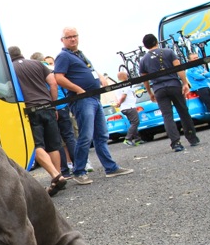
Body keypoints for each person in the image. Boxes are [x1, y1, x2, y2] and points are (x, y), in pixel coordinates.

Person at [53, 27, 134, 184]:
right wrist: (79, 90)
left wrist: (101, 78)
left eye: (74, 36)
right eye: (68, 37)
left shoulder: (80, 55)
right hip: (83, 100)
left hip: (94, 98)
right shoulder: (63, 56)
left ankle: (110, 168)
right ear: (62, 40)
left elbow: (90, 71)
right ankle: (79, 171)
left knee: (101, 135)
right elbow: (58, 78)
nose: (72, 39)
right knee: (86, 136)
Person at [9, 46, 67, 195]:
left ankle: (55, 176)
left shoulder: (10, 69)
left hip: (31, 110)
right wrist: (53, 104)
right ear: (21, 53)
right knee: (54, 145)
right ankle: (58, 176)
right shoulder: (37, 64)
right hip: (47, 106)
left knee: (37, 145)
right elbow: (53, 83)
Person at [139, 34, 200, 152]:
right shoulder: (168, 52)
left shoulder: (143, 60)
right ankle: (192, 137)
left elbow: (144, 79)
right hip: (174, 85)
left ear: (145, 46)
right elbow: (179, 68)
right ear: (156, 41)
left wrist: (150, 92)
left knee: (167, 116)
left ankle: (176, 142)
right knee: (183, 112)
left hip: (158, 89)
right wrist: (185, 83)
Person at [114, 71, 143, 145]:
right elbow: (124, 96)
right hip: (129, 106)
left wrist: (118, 103)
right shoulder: (125, 85)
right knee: (136, 122)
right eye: (126, 75)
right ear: (123, 76)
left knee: (133, 123)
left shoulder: (117, 86)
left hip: (124, 108)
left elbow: (115, 97)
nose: (127, 76)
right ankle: (128, 138)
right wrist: (120, 103)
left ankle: (137, 139)